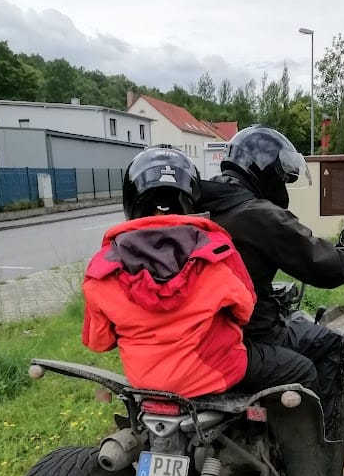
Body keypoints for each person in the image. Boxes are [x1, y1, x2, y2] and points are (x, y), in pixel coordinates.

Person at [199, 125, 344, 476]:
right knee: (326, 345)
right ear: (266, 170)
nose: (283, 184)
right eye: (282, 175)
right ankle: (324, 460)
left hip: (190, 335)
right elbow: (326, 265)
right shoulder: (259, 215)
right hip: (248, 338)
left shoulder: (199, 207)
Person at [81, 147, 256, 397]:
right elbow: (245, 310)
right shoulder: (218, 253)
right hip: (214, 378)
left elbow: (99, 341)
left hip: (145, 386)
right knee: (296, 368)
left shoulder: (101, 270)